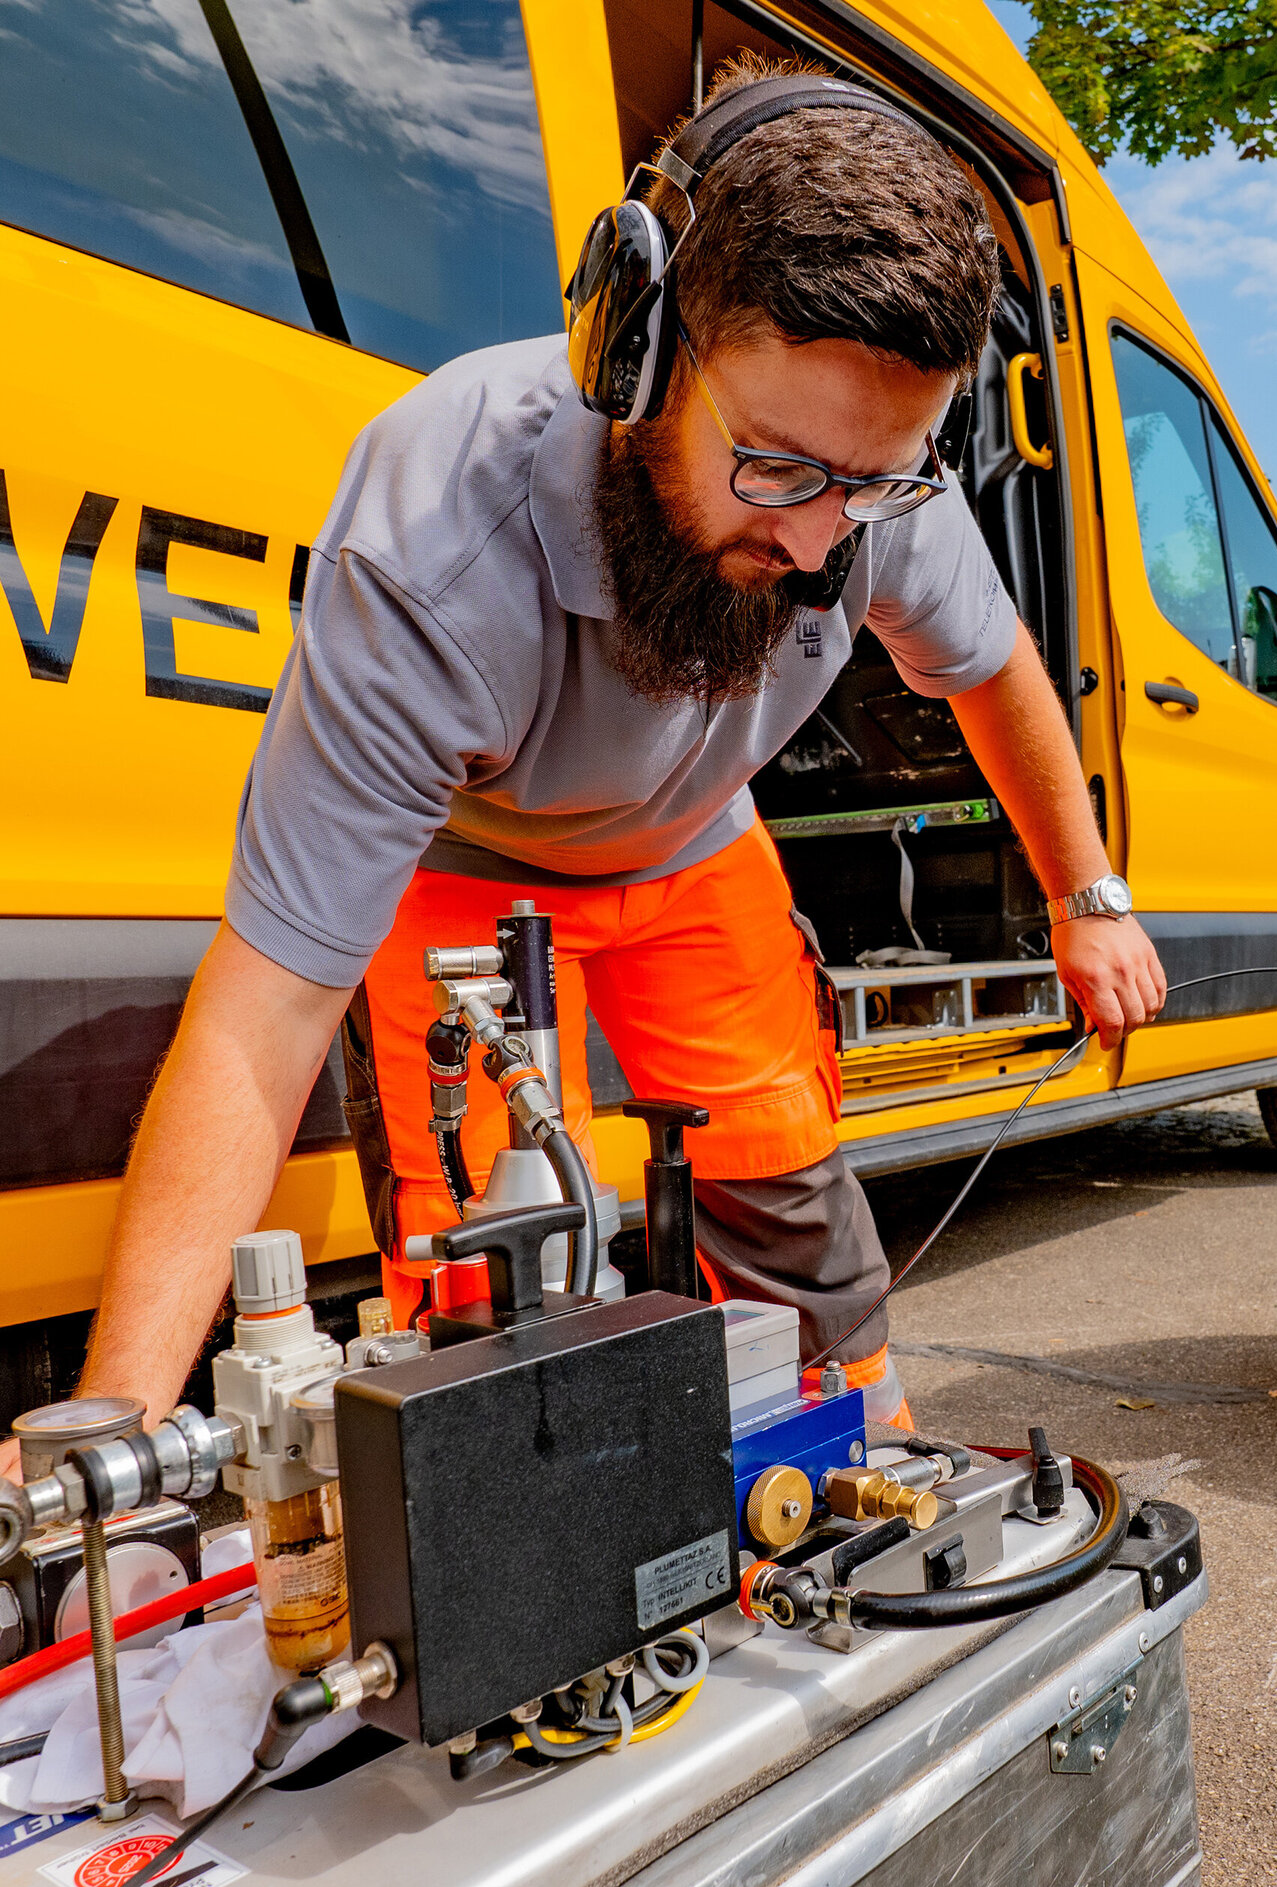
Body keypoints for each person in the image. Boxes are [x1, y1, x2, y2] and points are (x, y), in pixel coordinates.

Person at [0, 57, 1163, 1475]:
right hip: (466, 872)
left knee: (792, 1191)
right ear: (639, 345)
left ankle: (864, 1478)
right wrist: (104, 1441)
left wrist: (1085, 897)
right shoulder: (434, 540)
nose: (818, 545)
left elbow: (989, 667)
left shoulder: (867, 486)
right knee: (485, 1260)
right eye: (781, 472)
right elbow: (268, 1010)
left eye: (873, 484)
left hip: (693, 847)